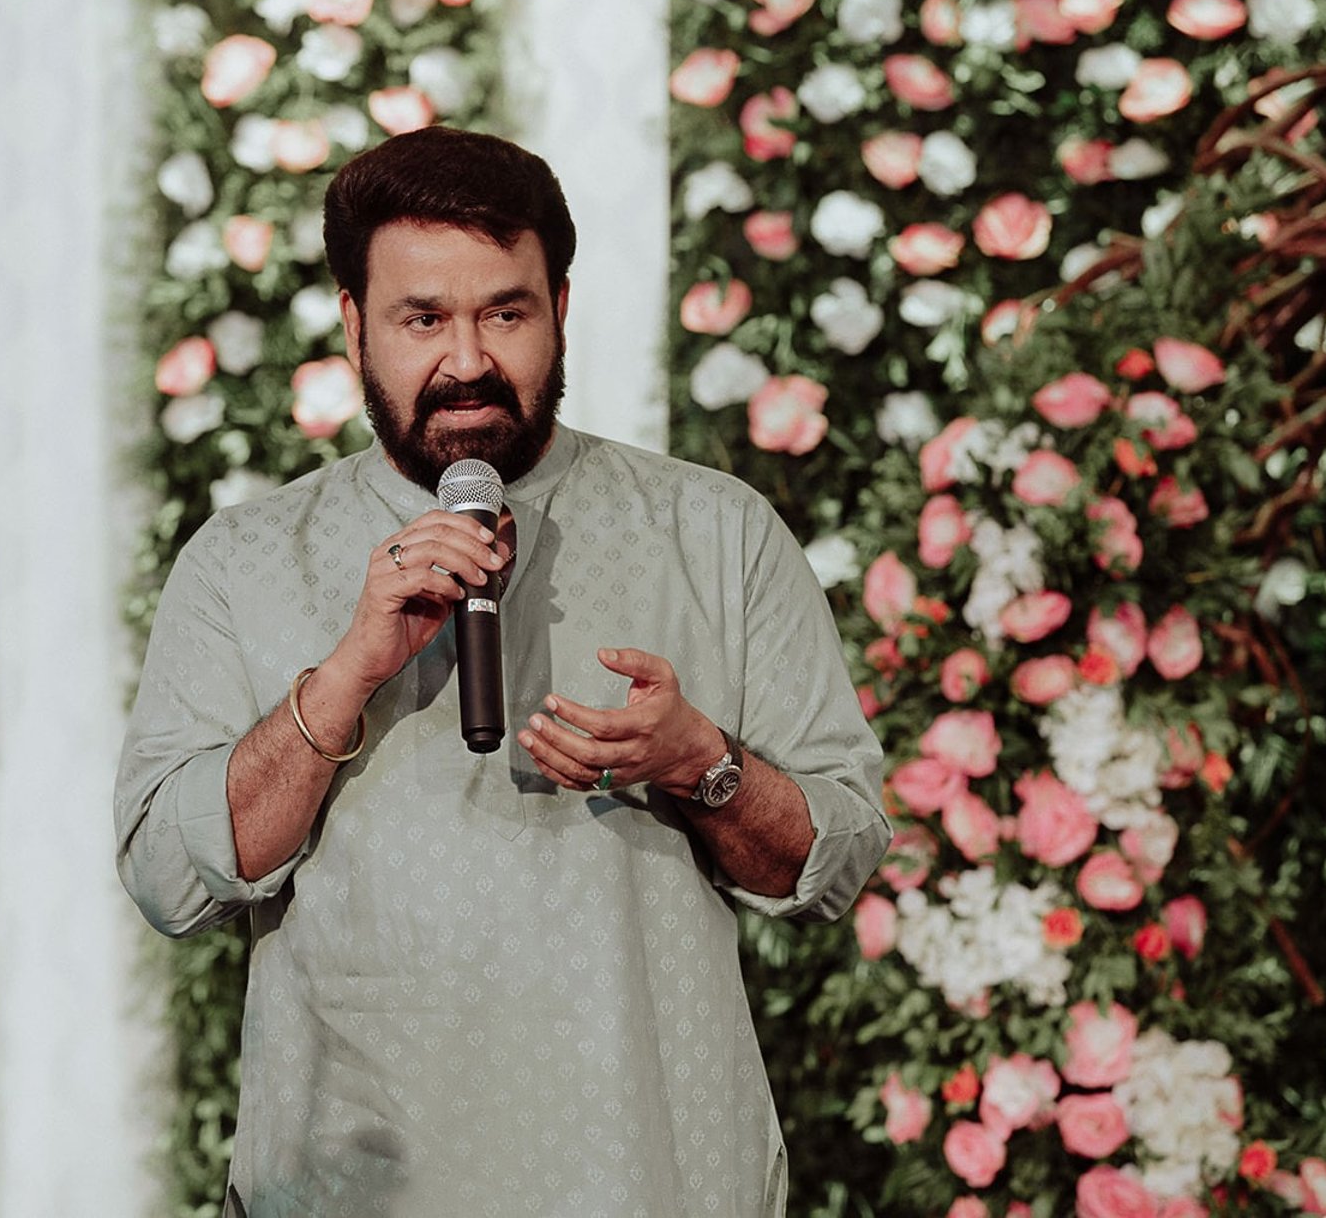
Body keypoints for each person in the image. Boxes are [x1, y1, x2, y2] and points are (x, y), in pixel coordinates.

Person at [116, 126, 888, 1218]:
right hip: (354, 1186)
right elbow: (167, 880)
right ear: (354, 323)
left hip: (652, 1175)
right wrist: (348, 673)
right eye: (423, 318)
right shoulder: (242, 563)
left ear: (561, 308)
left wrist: (702, 762)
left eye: (505, 312)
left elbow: (838, 854)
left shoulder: (715, 532)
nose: (467, 359)